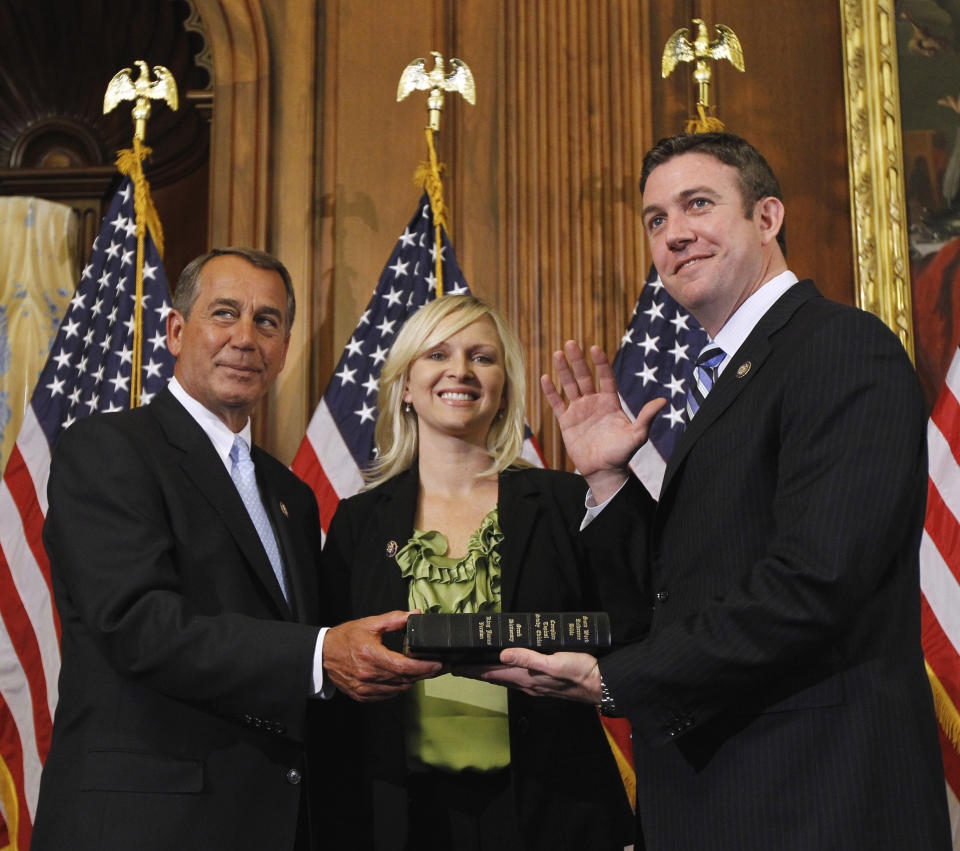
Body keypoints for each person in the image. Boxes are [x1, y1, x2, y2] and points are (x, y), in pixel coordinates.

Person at [476, 133, 953, 849]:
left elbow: (815, 584)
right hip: (723, 800)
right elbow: (684, 590)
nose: (675, 234)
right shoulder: (726, 374)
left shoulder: (839, 347)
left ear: (767, 218)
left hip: (820, 801)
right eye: (656, 219)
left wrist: (616, 680)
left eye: (698, 204)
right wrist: (609, 478)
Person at [32, 248, 441, 851]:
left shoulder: (291, 496)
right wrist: (323, 651)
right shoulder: (108, 450)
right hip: (145, 825)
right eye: (224, 314)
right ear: (176, 331)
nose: (245, 339)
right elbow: (138, 624)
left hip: (273, 823)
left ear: (284, 349)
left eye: (267, 322)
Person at [321, 295, 641, 850]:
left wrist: (610, 480)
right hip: (399, 817)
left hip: (554, 811)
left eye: (482, 357)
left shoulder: (568, 500)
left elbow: (639, 620)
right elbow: (331, 669)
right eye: (437, 353)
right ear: (404, 385)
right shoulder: (357, 522)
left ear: (503, 390)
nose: (460, 371)